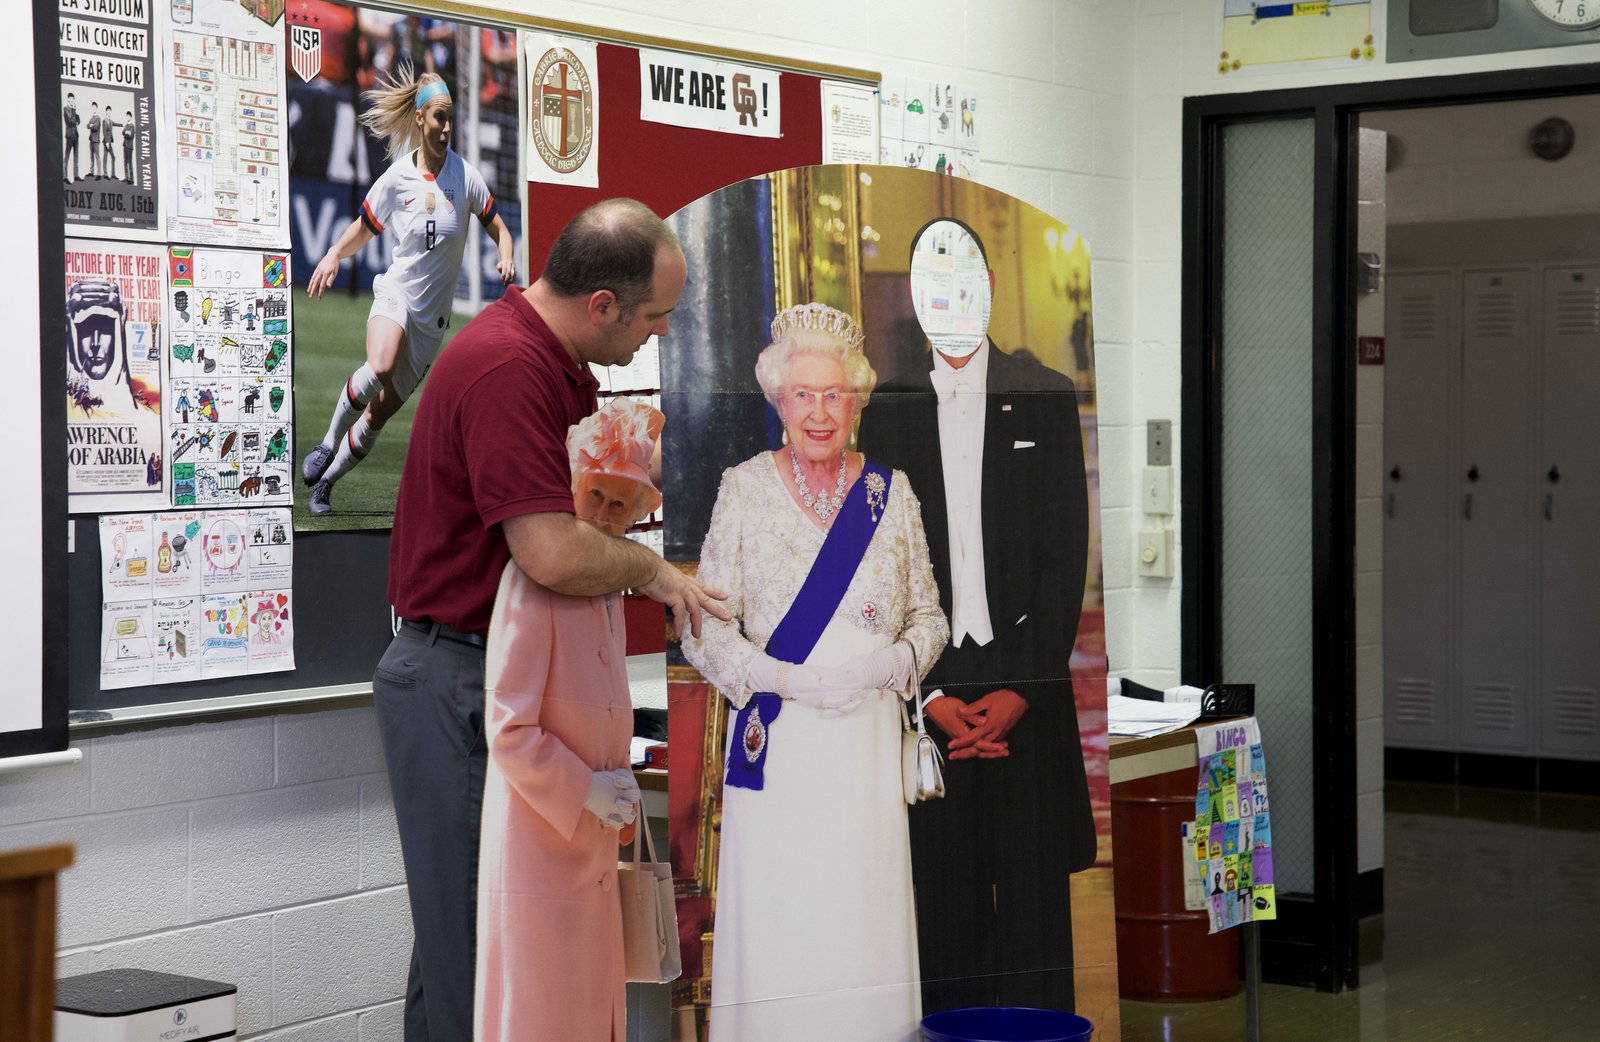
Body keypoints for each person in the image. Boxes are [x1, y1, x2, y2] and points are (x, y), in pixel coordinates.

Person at [375, 196, 727, 1042]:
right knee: (481, 963)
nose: (661, 333)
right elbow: (552, 554)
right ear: (602, 304)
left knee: (463, 955)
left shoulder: (543, 359)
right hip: (463, 684)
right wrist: (653, 572)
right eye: (655, 315)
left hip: (484, 674)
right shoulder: (509, 369)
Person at [682, 302, 949, 1042]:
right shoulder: (743, 488)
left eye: (835, 394)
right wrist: (777, 677)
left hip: (864, 751)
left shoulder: (890, 493)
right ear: (780, 400)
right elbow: (703, 625)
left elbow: (929, 618)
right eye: (804, 395)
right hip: (781, 743)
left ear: (857, 401)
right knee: (784, 918)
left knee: (859, 916)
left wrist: (896, 660)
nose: (820, 413)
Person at [856, 218, 1097, 1014]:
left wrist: (1024, 686)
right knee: (946, 912)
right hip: (935, 692)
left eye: (962, 281)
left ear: (987, 288)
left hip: (1027, 686)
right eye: (932, 284)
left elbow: (1067, 554)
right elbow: (880, 569)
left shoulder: (1044, 393)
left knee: (1035, 918)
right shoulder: (886, 408)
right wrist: (928, 695)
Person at [475, 400, 664, 1042]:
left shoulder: (609, 586)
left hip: (591, 844)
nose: (605, 515)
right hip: (538, 848)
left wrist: (618, 778)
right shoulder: (532, 580)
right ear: (572, 489)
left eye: (620, 504)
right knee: (542, 1013)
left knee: (588, 1012)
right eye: (595, 496)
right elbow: (508, 727)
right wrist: (586, 788)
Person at [301, 64, 516, 515]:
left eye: (450, 117)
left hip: (431, 321)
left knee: (378, 414)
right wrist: (333, 254)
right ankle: (326, 443)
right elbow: (364, 228)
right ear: (420, 118)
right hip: (396, 293)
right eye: (439, 117)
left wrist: (506, 254)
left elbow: (498, 226)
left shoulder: (465, 177)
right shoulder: (398, 177)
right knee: (379, 365)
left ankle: (327, 483)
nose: (446, 127)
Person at [63, 94, 79, 183]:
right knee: (67, 156)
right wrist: (73, 111)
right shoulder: (66, 109)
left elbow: (78, 120)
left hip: (76, 134)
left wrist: (75, 111)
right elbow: (68, 121)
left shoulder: (73, 110)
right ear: (68, 99)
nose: (72, 100)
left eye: (73, 98)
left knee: (76, 156)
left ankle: (76, 176)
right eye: (70, 98)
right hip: (69, 135)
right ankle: (65, 176)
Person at [122, 110, 135, 185]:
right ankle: (126, 177)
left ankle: (131, 179)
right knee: (125, 162)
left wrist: (126, 133)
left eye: (129, 116)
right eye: (127, 116)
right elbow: (123, 132)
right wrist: (126, 132)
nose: (127, 117)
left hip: (129, 146)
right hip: (125, 145)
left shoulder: (132, 126)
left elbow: (131, 136)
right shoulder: (126, 125)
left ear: (131, 117)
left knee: (130, 162)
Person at [87, 103, 101, 178]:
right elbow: (87, 125)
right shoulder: (92, 118)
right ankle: (91, 172)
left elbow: (95, 127)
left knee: (97, 156)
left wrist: (91, 125)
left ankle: (99, 174)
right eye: (92, 107)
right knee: (91, 156)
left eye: (94, 107)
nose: (93, 108)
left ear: (97, 108)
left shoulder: (98, 118)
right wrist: (91, 125)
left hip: (96, 139)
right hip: (91, 139)